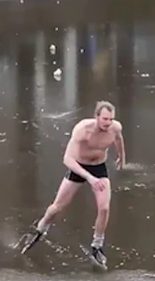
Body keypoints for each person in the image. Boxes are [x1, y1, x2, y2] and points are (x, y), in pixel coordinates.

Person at [21, 101, 126, 268]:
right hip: (78, 167)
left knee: (104, 208)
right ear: (97, 117)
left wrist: (121, 156)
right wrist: (90, 178)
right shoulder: (82, 129)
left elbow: (119, 139)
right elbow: (67, 159)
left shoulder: (115, 128)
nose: (108, 123)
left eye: (111, 119)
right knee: (58, 207)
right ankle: (40, 228)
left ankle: (97, 245)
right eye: (105, 119)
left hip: (99, 168)